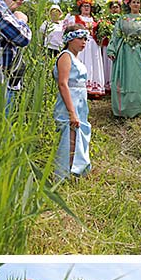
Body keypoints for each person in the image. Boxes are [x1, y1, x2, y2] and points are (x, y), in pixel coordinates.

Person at [54, 26, 92, 179]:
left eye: (85, 39)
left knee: (78, 136)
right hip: (70, 102)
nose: (83, 42)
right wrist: (71, 112)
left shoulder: (75, 58)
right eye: (80, 38)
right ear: (70, 39)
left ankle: (75, 172)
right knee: (69, 138)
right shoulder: (65, 56)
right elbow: (63, 83)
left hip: (80, 102)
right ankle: (63, 175)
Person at [63, 0, 106, 99]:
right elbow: (67, 30)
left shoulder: (95, 20)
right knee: (82, 62)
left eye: (88, 6)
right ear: (80, 8)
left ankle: (94, 88)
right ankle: (82, 87)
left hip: (93, 45)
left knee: (94, 64)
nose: (86, 8)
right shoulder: (75, 18)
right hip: (81, 44)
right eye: (84, 6)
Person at [101, 0, 122, 94]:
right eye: (113, 7)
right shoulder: (105, 20)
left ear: (120, 9)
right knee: (108, 64)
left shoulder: (123, 19)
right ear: (110, 9)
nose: (115, 9)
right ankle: (108, 85)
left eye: (117, 7)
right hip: (108, 45)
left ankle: (118, 85)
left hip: (120, 46)